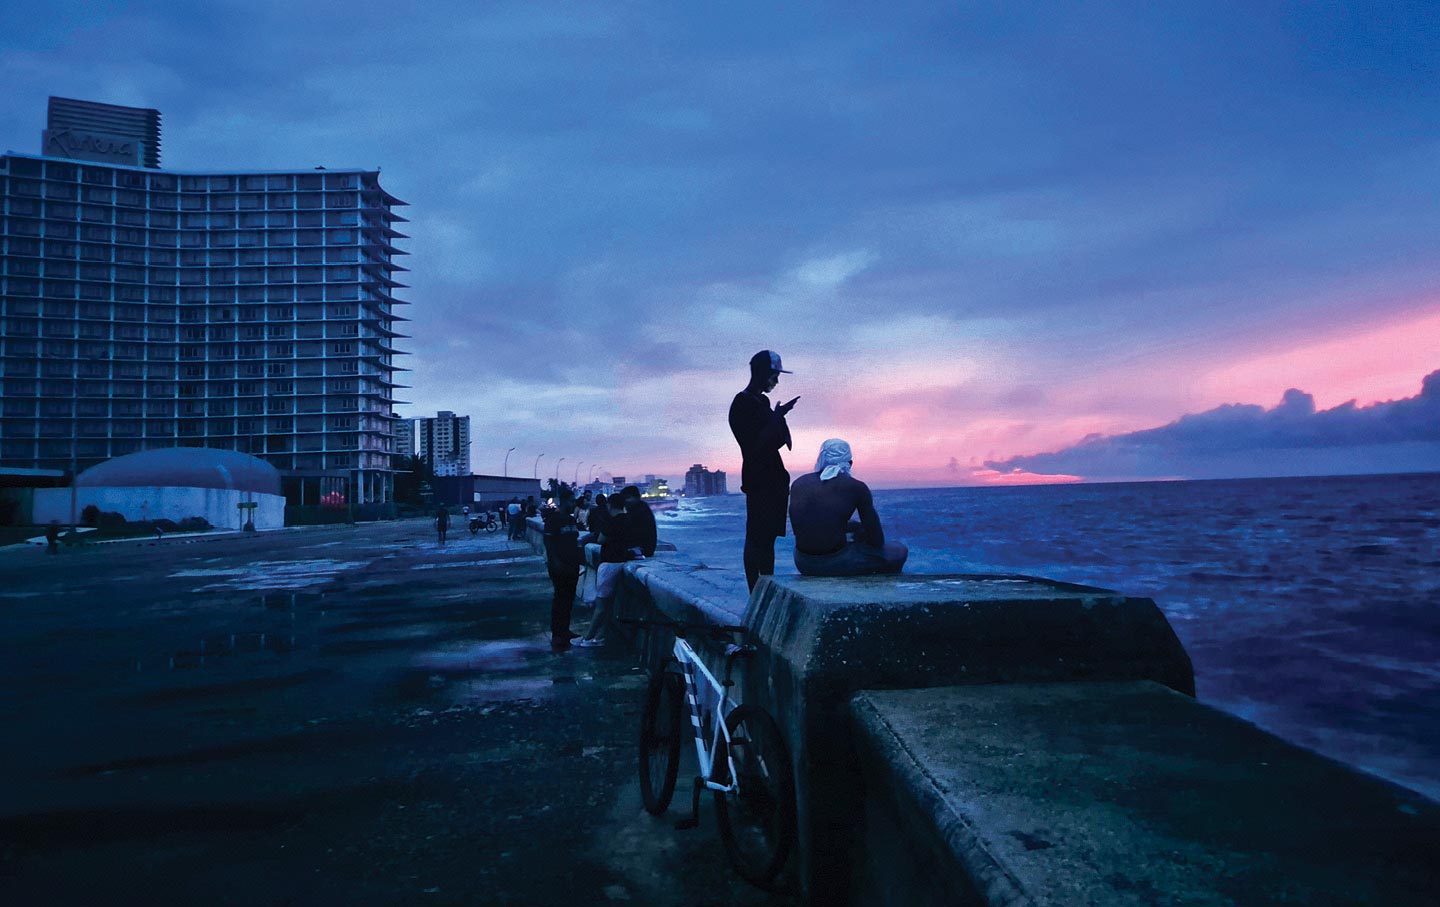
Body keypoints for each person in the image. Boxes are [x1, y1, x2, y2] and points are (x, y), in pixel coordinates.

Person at [729, 349, 799, 591]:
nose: (776, 382)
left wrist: (779, 416)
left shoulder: (761, 401)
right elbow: (753, 445)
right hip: (759, 477)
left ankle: (766, 587)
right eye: (774, 376)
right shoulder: (742, 402)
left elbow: (772, 436)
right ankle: (755, 591)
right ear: (762, 374)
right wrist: (776, 418)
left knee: (767, 537)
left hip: (772, 478)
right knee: (756, 536)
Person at [789, 439, 908, 576]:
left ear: (821, 458)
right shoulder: (857, 487)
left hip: (802, 562)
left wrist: (849, 527)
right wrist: (861, 531)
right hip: (833, 563)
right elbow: (877, 540)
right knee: (899, 550)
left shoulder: (799, 483)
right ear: (850, 463)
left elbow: (807, 526)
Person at [575, 494, 635, 647]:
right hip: (623, 560)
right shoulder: (629, 519)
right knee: (609, 603)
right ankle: (600, 636)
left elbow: (601, 539)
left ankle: (588, 638)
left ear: (610, 505)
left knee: (601, 604)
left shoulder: (612, 521)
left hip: (609, 563)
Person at [542, 507, 584, 651]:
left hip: (572, 565)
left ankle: (565, 630)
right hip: (559, 565)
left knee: (569, 599)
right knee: (560, 599)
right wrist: (555, 561)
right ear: (564, 501)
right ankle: (557, 634)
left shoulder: (571, 519)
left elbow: (575, 540)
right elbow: (548, 542)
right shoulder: (553, 520)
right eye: (571, 501)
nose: (573, 504)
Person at [620, 485, 657, 558]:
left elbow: (628, 531)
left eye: (627, 498)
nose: (625, 501)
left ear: (637, 497)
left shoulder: (639, 511)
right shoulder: (640, 507)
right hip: (644, 548)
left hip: (642, 549)